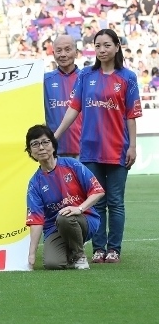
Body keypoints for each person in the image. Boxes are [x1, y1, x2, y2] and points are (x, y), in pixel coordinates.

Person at [54, 29, 142, 264]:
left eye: (106, 45)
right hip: (90, 150)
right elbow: (74, 108)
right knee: (97, 201)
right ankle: (99, 249)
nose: (102, 50)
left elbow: (131, 115)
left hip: (118, 149)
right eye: (98, 46)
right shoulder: (86, 75)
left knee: (115, 202)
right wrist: (56, 135)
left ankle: (114, 249)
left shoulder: (128, 77)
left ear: (117, 47)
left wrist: (132, 146)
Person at [25, 125, 104, 270]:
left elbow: (98, 191)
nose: (41, 147)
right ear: (30, 151)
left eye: (45, 142)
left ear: (53, 145)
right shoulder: (34, 183)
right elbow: (36, 220)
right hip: (54, 228)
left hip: (84, 219)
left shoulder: (72, 165)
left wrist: (79, 208)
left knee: (64, 217)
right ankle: (72, 246)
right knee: (52, 264)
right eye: (35, 144)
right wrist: (32, 254)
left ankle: (79, 256)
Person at [44, 35, 82, 158]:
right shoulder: (43, 81)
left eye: (67, 49)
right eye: (59, 50)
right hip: (54, 152)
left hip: (85, 152)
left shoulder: (88, 79)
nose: (63, 54)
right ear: (53, 54)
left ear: (76, 53)